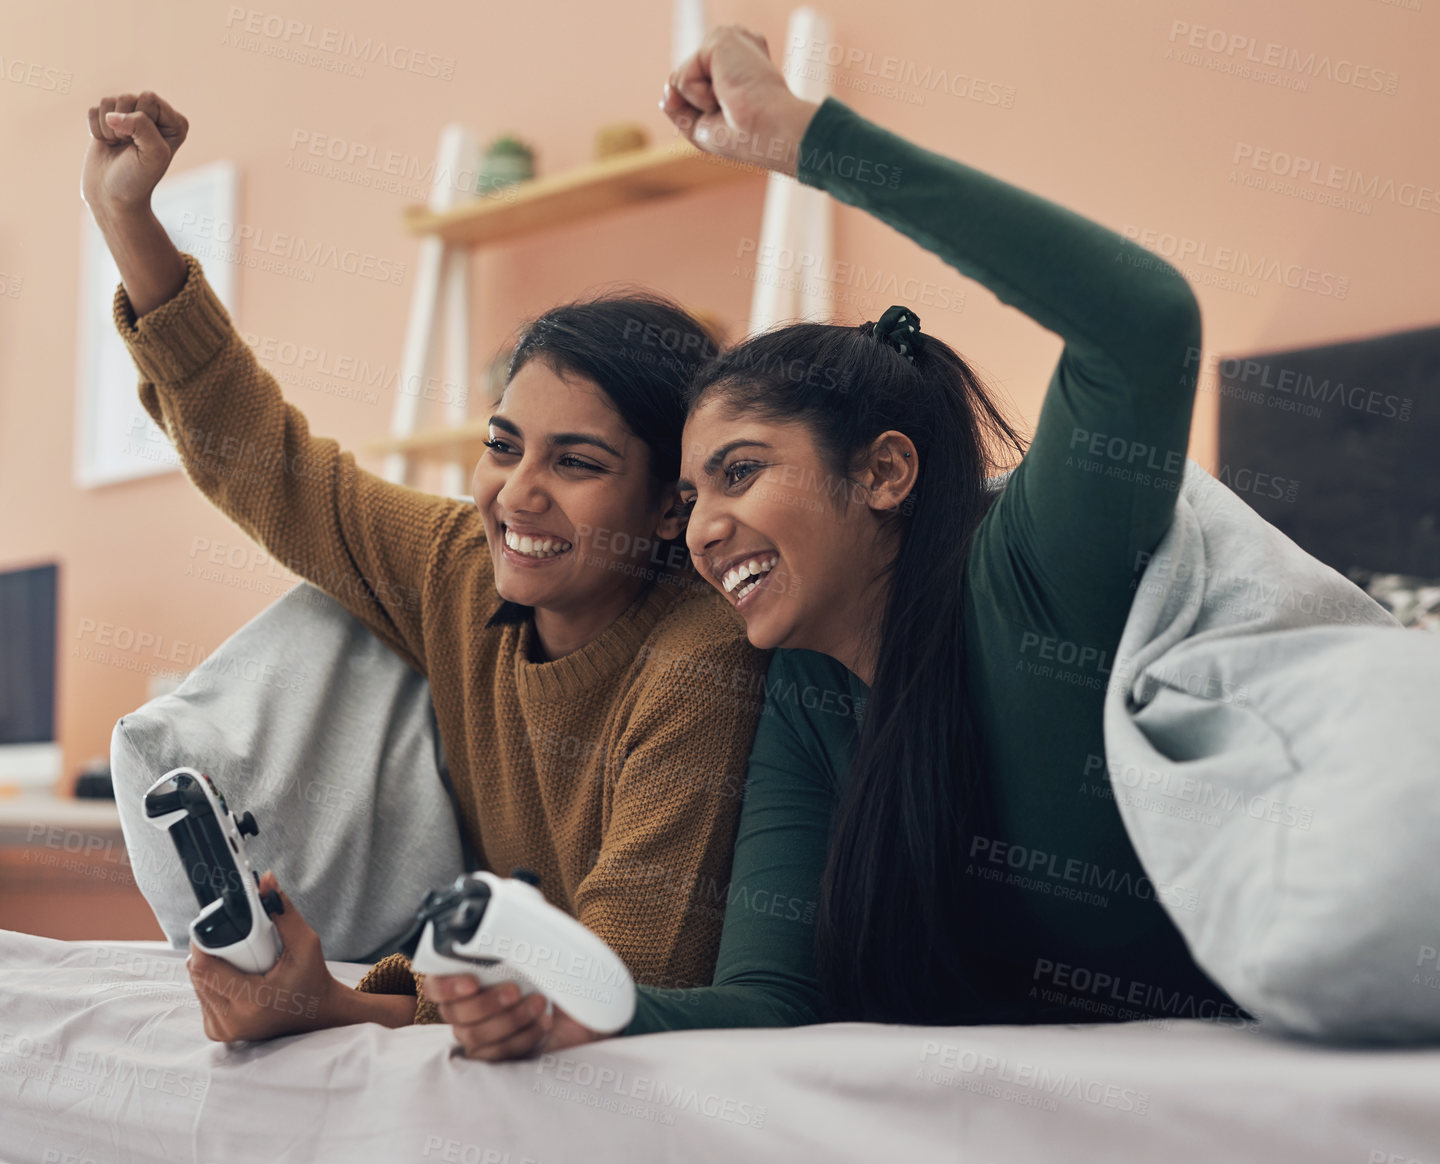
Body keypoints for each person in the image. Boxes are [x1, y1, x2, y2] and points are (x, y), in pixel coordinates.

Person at [456, 24, 1244, 1057]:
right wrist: (568, 1014)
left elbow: (1144, 321)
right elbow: (773, 1005)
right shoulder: (804, 689)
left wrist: (807, 142)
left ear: (883, 473)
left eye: (739, 473)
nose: (702, 531)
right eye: (688, 497)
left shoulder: (1028, 574)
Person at [80, 89, 771, 1058]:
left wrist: (350, 1005)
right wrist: (126, 218)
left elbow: (625, 973)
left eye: (576, 464)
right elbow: (265, 462)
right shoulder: (462, 567)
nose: (517, 495)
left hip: (608, 1022)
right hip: (490, 976)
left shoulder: (699, 658)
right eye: (503, 445)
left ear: (670, 505)